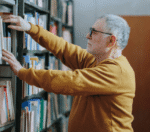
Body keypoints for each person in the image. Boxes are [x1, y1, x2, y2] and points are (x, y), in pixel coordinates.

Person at [1, 14, 135, 132]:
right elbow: (64, 49)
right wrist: (30, 28)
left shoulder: (118, 71)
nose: (88, 35)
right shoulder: (95, 60)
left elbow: (69, 81)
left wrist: (22, 72)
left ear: (111, 41)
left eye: (94, 32)